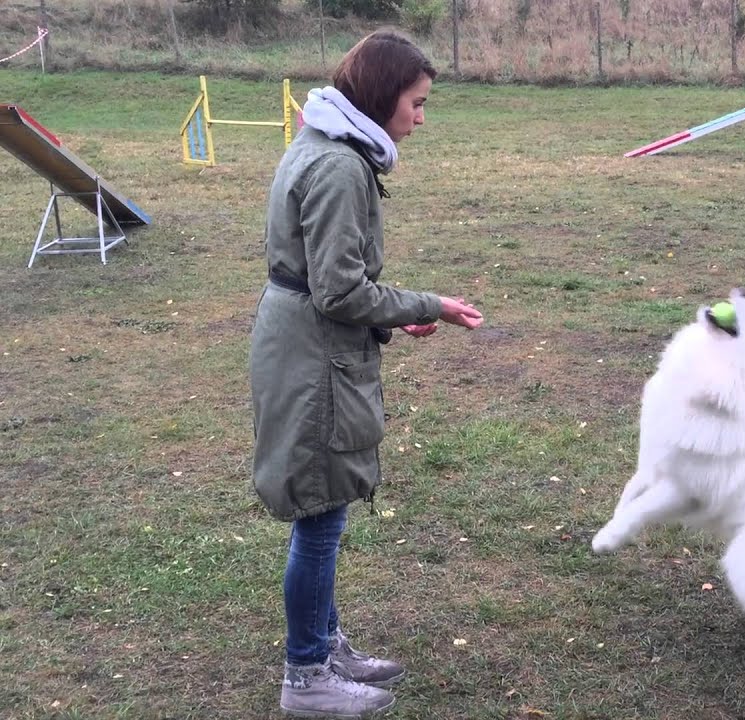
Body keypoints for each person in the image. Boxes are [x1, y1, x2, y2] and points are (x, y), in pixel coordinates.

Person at [249, 29, 484, 718]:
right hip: (313, 357)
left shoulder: (326, 144)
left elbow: (330, 284)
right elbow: (338, 290)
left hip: (309, 343)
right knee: (321, 516)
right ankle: (306, 677)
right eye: (416, 102)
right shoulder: (341, 167)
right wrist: (428, 305)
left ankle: (323, 643)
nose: (420, 116)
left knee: (326, 509)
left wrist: (386, 319)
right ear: (383, 98)